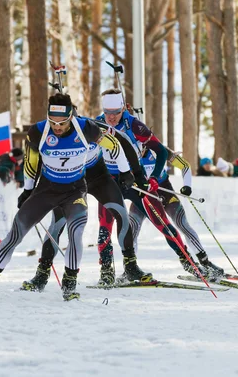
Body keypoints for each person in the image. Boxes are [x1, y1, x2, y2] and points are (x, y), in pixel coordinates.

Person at [0, 93, 128, 301]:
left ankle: (69, 283)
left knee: (75, 231)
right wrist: (28, 189)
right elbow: (31, 162)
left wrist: (125, 172)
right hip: (47, 189)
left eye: (62, 123)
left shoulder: (87, 129)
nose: (57, 127)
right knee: (16, 231)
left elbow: (114, 145)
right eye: (53, 122)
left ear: (71, 117)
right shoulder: (38, 131)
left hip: (75, 190)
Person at [23, 110, 152, 291]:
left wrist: (135, 174)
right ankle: (41, 274)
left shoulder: (92, 128)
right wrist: (31, 189)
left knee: (121, 213)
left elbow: (123, 142)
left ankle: (131, 266)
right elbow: (37, 160)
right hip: (71, 181)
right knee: (57, 224)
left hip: (99, 177)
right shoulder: (51, 134)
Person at [96, 89, 210, 278]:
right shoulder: (97, 124)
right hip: (109, 181)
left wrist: (155, 177)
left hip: (134, 179)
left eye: (116, 112)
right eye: (107, 112)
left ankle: (189, 263)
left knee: (162, 223)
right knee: (105, 224)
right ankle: (107, 271)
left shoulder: (134, 125)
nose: (111, 117)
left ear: (123, 108)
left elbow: (162, 152)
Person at [129, 147, 225, 278]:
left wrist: (187, 185)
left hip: (165, 193)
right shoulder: (127, 149)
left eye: (141, 144)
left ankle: (205, 262)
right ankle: (130, 268)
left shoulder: (157, 149)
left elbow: (185, 166)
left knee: (182, 224)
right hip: (142, 196)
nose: (139, 148)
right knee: (132, 227)